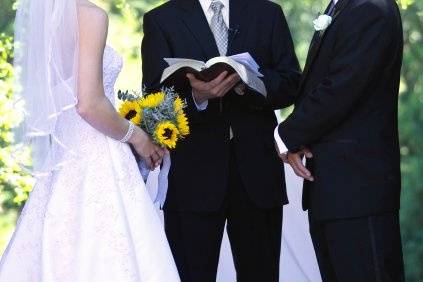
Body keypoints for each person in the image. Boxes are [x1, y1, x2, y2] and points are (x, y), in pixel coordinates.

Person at [0, 0, 180, 281]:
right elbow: (89, 105)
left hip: (63, 159)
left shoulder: (49, 22)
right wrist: (138, 137)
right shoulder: (90, 15)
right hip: (100, 156)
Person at [142, 0, 301, 281]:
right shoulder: (160, 19)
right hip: (192, 178)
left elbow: (291, 84)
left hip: (257, 174)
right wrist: (198, 97)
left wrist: (244, 84)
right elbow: (155, 101)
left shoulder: (267, 13)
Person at [275, 0, 405, 281]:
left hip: (358, 190)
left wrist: (286, 136)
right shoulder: (343, 6)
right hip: (332, 189)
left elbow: (344, 85)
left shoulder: (372, 8)